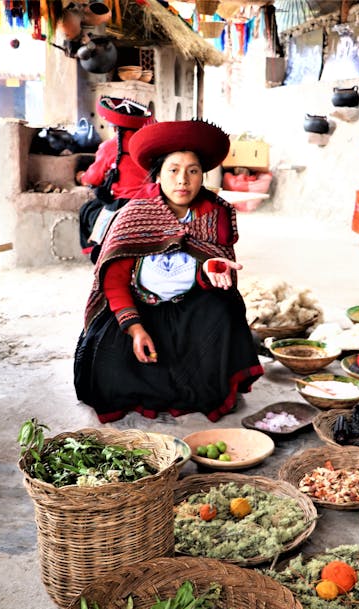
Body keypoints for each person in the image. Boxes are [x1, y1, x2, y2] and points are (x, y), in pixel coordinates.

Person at [74, 118, 264, 423]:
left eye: (192, 171)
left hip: (189, 312)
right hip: (138, 310)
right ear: (158, 175)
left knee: (226, 307)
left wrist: (209, 270)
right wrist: (135, 329)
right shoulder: (134, 215)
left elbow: (214, 264)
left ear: (203, 175)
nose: (183, 180)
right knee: (104, 368)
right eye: (173, 170)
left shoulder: (215, 213)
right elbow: (114, 282)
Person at [75, 96, 155, 263]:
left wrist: (82, 177)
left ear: (115, 127)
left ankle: (96, 251)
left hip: (120, 204)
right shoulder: (148, 146)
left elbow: (93, 179)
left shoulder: (110, 147)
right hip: (149, 201)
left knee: (87, 210)